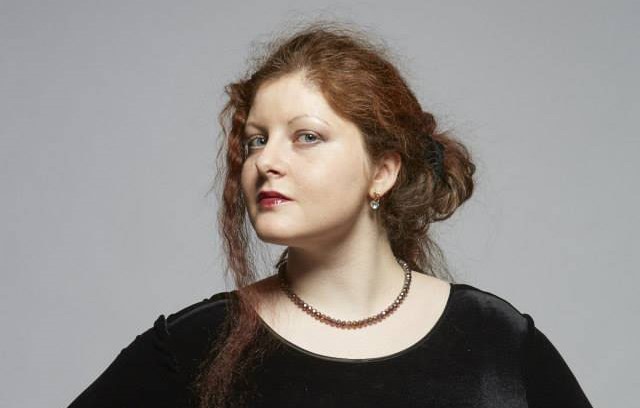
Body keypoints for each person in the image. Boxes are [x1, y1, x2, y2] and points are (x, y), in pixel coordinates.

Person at [67, 21, 593, 408]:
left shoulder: (495, 339)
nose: (265, 162)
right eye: (256, 140)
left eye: (306, 137)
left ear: (382, 171)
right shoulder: (195, 344)